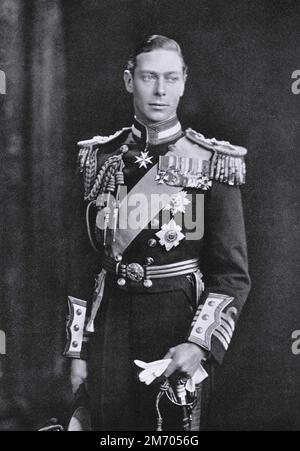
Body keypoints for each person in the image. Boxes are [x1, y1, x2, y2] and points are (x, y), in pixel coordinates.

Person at [64, 35, 251, 431]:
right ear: (129, 81)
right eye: (149, 77)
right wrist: (76, 351)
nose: (160, 90)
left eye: (170, 78)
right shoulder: (99, 159)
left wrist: (200, 344)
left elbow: (232, 275)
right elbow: (82, 263)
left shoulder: (213, 164)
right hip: (109, 328)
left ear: (184, 82)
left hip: (177, 325)